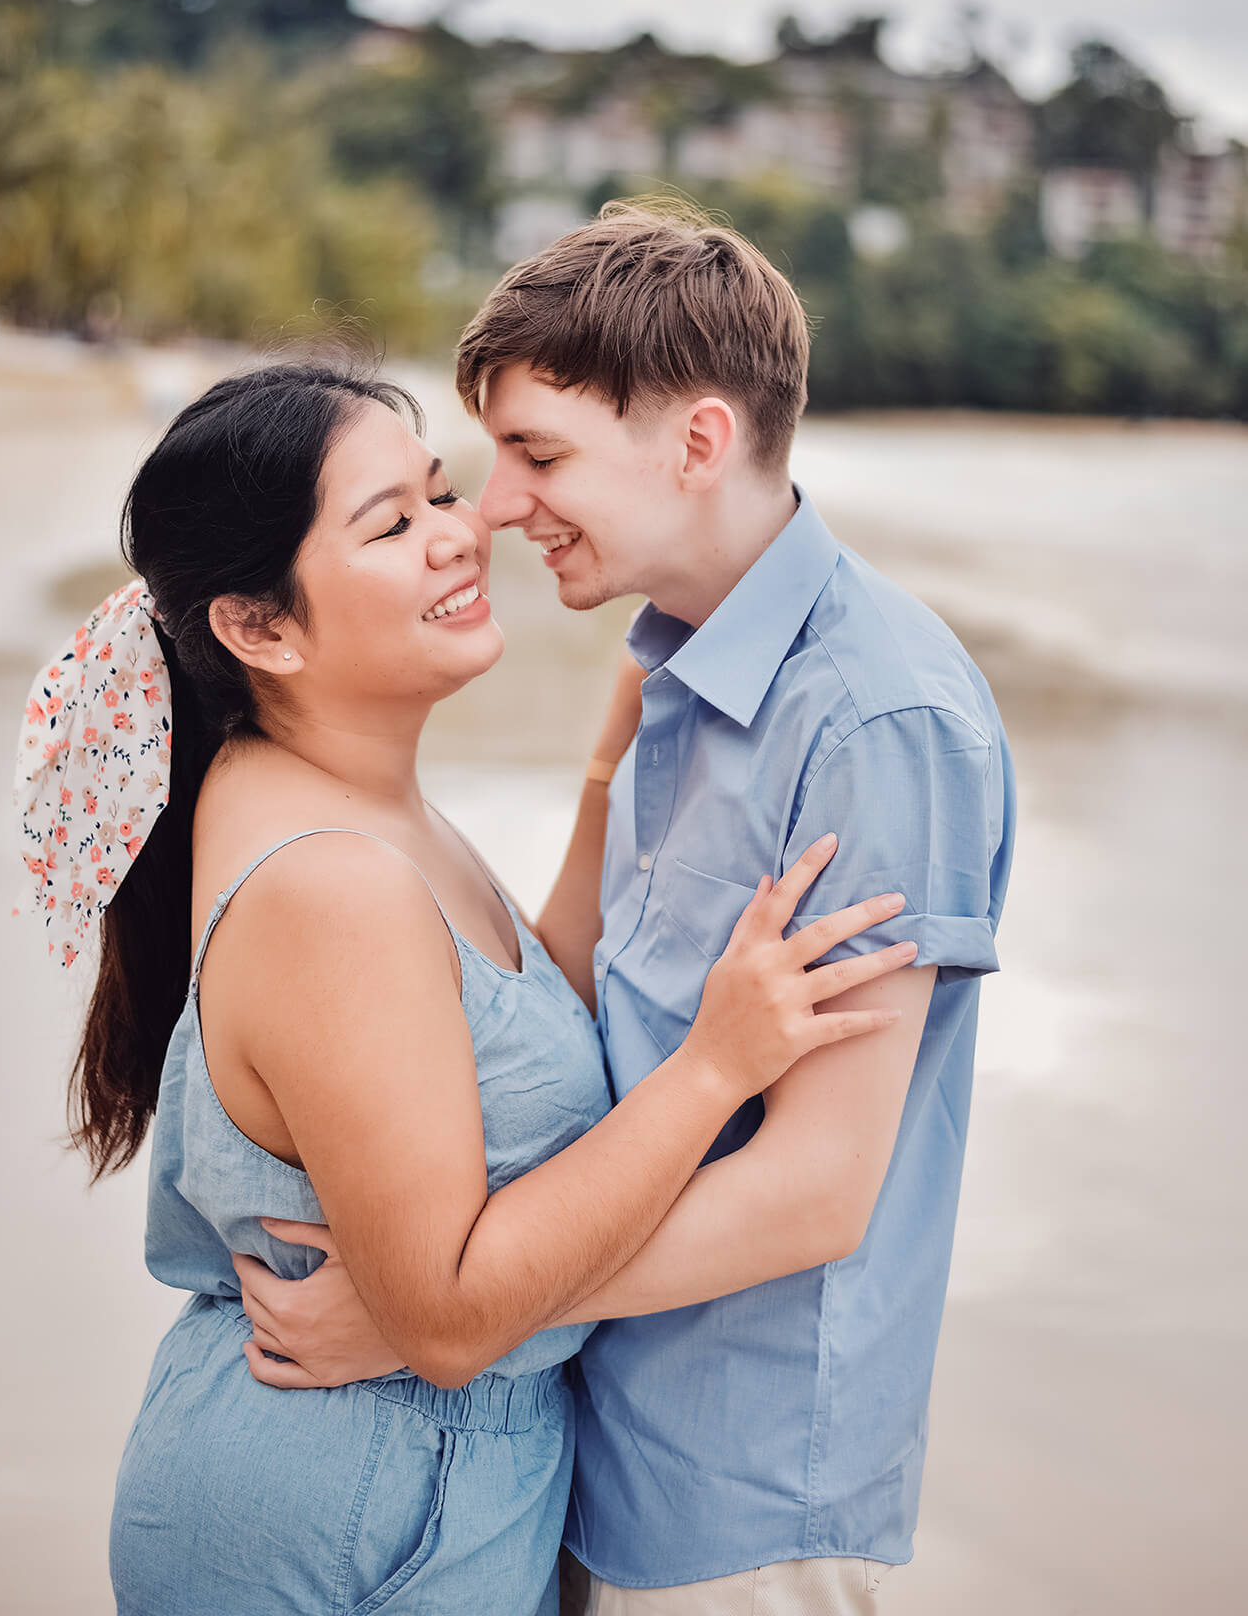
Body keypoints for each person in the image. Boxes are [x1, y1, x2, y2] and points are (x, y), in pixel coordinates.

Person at [13, 356, 915, 1616]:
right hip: (348, 1521)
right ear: (258, 625)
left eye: (440, 492)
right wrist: (715, 1066)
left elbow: (504, 1020)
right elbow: (443, 1314)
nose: (463, 532)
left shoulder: (345, 798)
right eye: (392, 524)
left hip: (388, 1493)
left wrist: (613, 770)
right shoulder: (333, 882)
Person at [239, 206, 1016, 1615]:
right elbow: (573, 989)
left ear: (698, 445)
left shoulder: (874, 719)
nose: (490, 505)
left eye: (538, 453)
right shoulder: (669, 661)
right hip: (581, 1439)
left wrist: (443, 1319)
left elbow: (815, 1192)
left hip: (739, 1492)